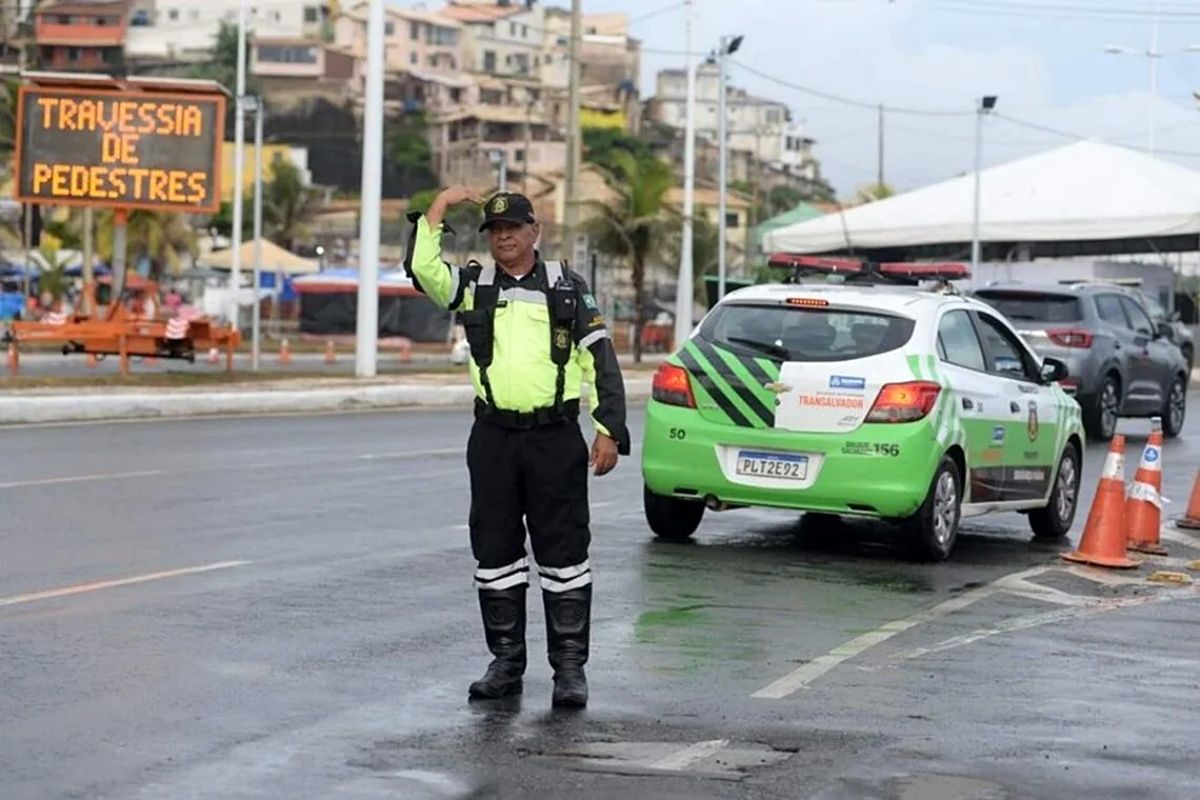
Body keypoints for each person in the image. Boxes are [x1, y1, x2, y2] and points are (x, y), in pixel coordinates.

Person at [405, 187, 630, 708]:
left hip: (554, 440)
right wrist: (440, 206)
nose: (504, 237)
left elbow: (601, 363)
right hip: (493, 440)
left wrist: (607, 430)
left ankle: (569, 670)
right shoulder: (473, 286)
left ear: (535, 232)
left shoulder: (567, 289)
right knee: (496, 553)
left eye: (513, 228)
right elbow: (424, 271)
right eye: (495, 230)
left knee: (564, 554)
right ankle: (505, 663)